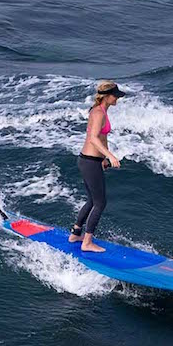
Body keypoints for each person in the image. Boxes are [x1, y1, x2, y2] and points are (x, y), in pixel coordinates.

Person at [70, 80, 125, 252]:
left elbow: (101, 138)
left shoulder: (100, 111)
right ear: (107, 96)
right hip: (88, 161)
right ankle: (87, 243)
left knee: (92, 200)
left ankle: (76, 233)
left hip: (92, 161)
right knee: (100, 203)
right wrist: (111, 156)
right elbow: (93, 138)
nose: (117, 99)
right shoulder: (99, 113)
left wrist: (103, 158)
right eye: (115, 96)